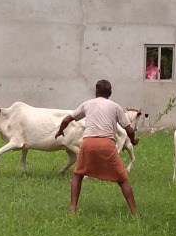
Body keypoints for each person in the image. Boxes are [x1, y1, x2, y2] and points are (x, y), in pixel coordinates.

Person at [56, 79, 140, 216]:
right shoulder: (115, 107)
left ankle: (72, 209)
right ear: (110, 93)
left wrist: (60, 131)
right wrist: (134, 141)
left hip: (88, 143)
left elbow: (66, 120)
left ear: (96, 92)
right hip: (107, 144)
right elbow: (129, 130)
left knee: (78, 174)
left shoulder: (87, 104)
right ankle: (135, 214)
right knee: (122, 179)